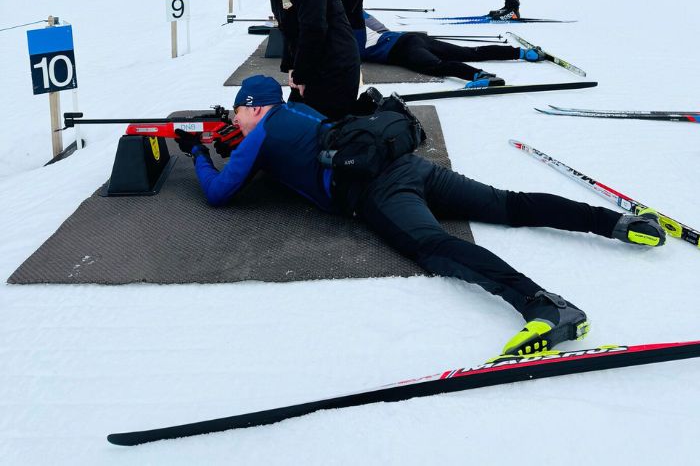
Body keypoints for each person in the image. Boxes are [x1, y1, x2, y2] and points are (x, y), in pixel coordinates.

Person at [176, 75, 666, 357]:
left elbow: (221, 193)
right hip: (410, 166)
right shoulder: (299, 111)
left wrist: (198, 152)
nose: (234, 121)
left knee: (435, 245)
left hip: (377, 192)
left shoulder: (258, 134)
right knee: (507, 203)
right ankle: (619, 223)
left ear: (253, 109)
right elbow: (290, 156)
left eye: (238, 113)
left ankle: (544, 307)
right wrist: (233, 143)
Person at [358, 11, 546, 88]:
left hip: (402, 49)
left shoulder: (347, 37)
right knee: (470, 52)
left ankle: (478, 76)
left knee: (438, 66)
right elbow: (371, 20)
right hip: (411, 37)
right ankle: (523, 53)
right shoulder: (357, 16)